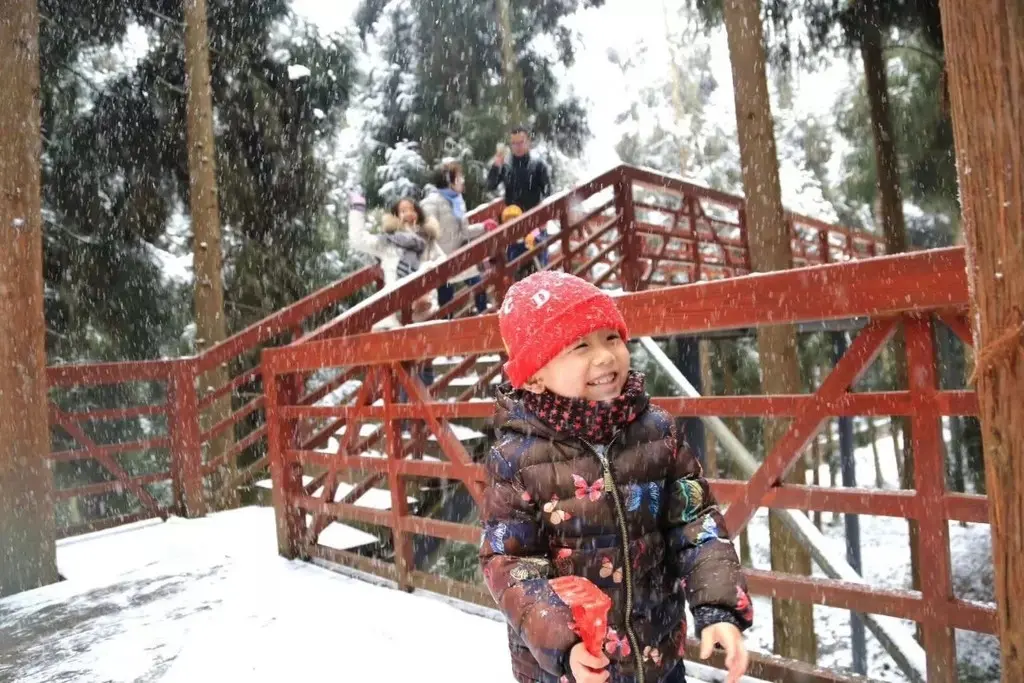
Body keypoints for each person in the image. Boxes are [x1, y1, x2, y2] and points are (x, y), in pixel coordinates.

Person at [480, 271, 752, 683]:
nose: (606, 356)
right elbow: (511, 561)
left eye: (612, 338)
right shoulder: (516, 458)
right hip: (571, 670)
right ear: (534, 374)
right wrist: (564, 643)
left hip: (657, 657)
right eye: (580, 346)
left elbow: (695, 522)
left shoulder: (657, 430)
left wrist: (717, 606)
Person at [348, 194, 443, 331]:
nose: (409, 214)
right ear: (396, 216)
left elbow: (447, 263)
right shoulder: (388, 243)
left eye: (412, 209)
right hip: (394, 310)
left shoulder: (428, 240)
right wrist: (357, 209)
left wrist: (427, 268)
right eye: (403, 211)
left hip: (426, 311)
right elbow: (358, 241)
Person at [421, 160, 489, 315]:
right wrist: (437, 259)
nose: (463, 180)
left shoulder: (457, 201)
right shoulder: (431, 203)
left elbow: (463, 232)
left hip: (461, 257)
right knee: (446, 300)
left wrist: (483, 227)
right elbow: (427, 236)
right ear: (449, 181)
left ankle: (484, 315)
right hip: (443, 261)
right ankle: (448, 329)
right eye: (459, 177)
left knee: (478, 284)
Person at [487, 126, 553, 270]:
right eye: (514, 143)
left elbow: (548, 193)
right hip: (513, 227)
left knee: (540, 270)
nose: (517, 146)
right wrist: (496, 165)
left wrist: (542, 220)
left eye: (521, 142)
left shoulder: (538, 165)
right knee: (517, 271)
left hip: (535, 225)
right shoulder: (506, 166)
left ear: (528, 142)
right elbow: (490, 185)